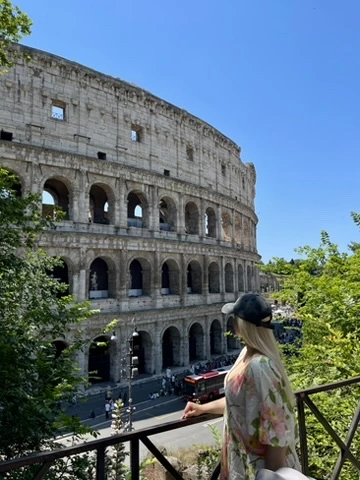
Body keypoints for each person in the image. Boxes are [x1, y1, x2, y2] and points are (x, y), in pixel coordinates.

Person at [183, 293, 300, 480]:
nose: (232, 323)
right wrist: (201, 408)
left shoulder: (260, 367)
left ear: (241, 325)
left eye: (234, 319)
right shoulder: (246, 354)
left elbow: (278, 436)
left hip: (258, 469)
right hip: (241, 463)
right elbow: (238, 401)